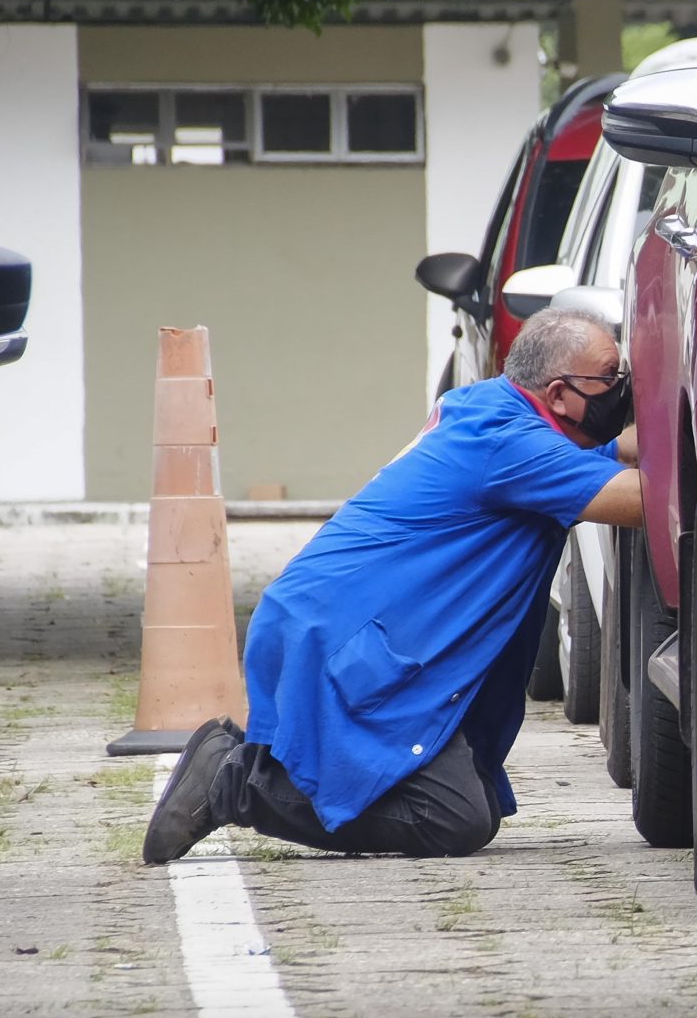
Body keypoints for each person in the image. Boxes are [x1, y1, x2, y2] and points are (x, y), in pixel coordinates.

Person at [141, 305, 642, 863]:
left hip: (338, 623)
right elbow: (642, 499)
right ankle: (233, 783)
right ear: (558, 394)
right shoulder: (508, 445)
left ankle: (262, 772)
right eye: (612, 380)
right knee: (454, 818)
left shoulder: (491, 410)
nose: (621, 391)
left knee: (472, 800)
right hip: (344, 641)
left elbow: (615, 453)